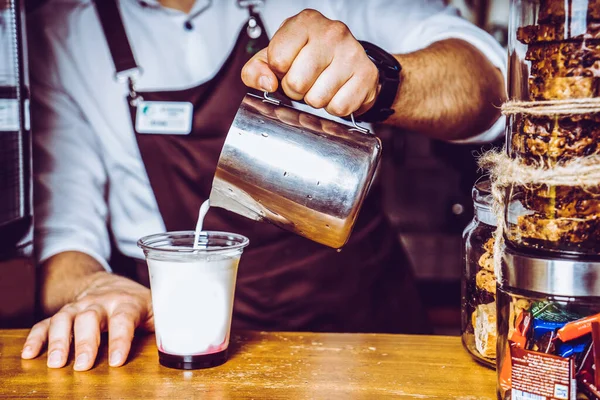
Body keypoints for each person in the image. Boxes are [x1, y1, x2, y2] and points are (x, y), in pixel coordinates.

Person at [22, 0, 506, 371]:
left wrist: (383, 82)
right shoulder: (63, 30)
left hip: (365, 325)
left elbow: (494, 85)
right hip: (191, 343)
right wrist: (96, 287)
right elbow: (66, 238)